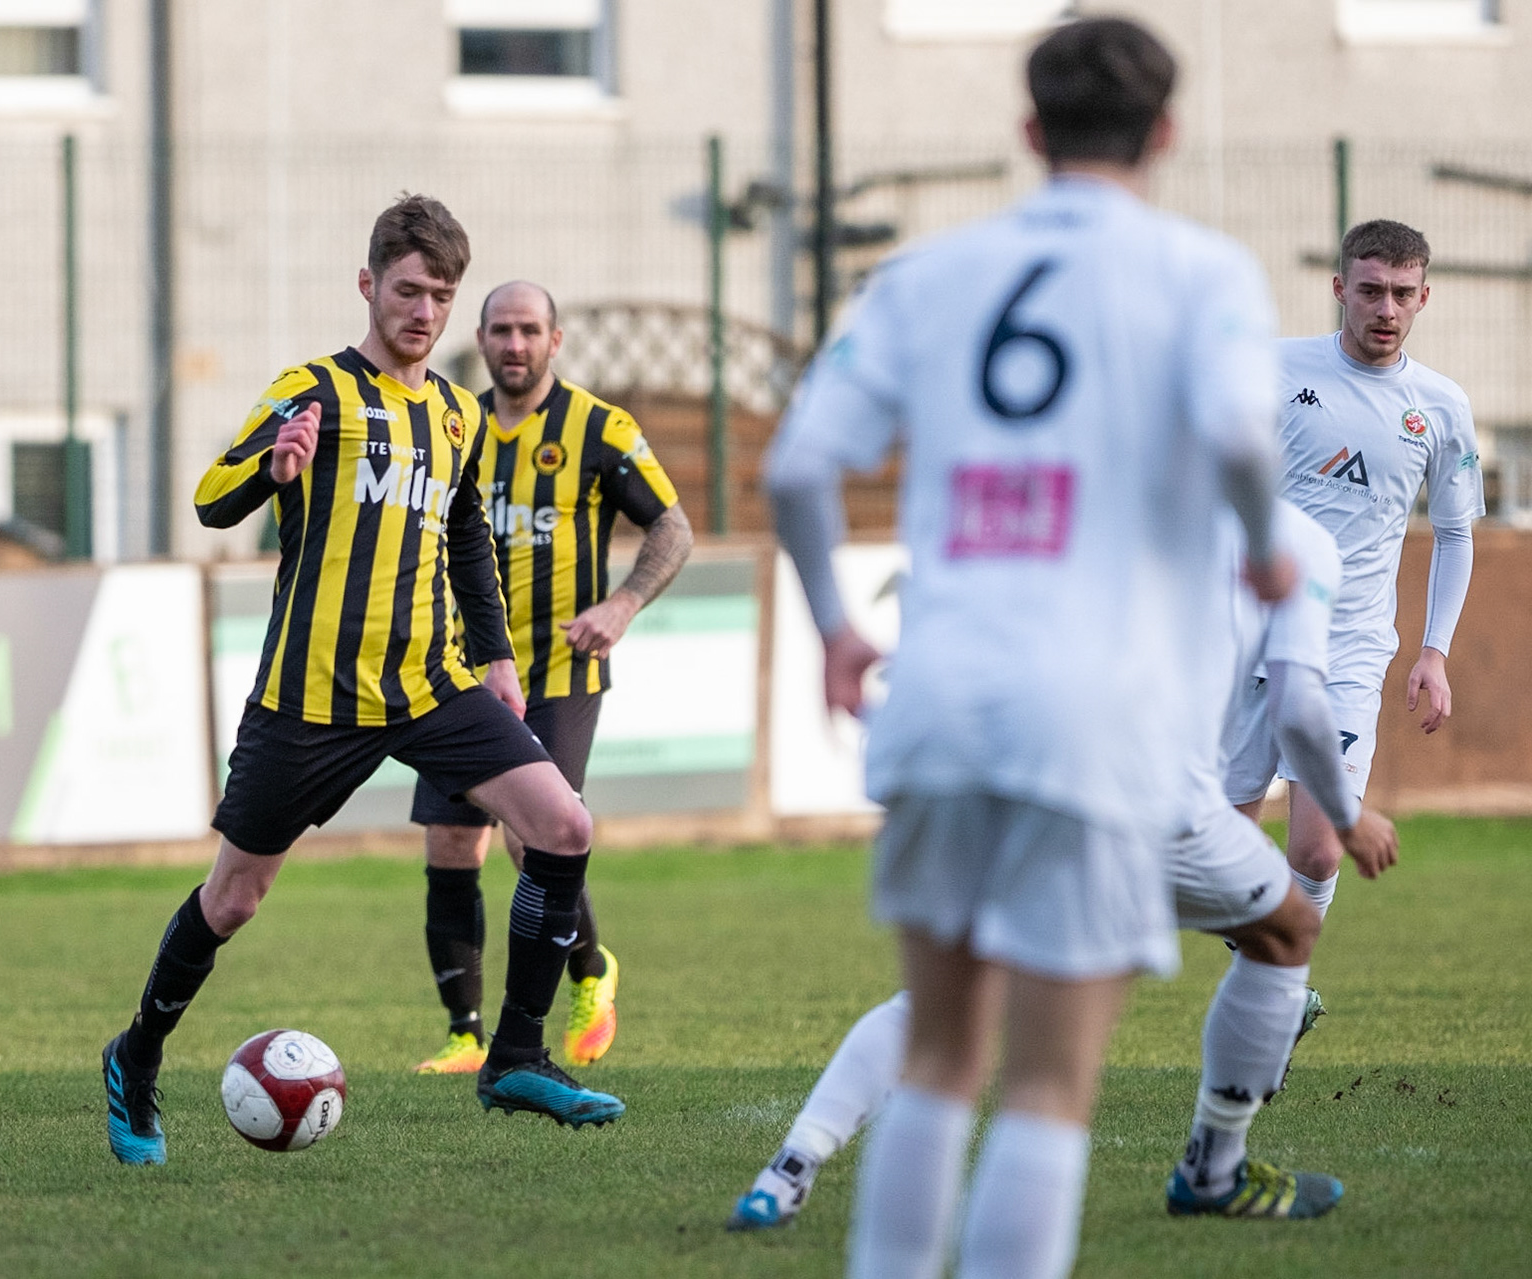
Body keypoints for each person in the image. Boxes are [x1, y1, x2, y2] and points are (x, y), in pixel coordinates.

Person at [765, 18, 1292, 1277]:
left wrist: (838, 624)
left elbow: (795, 464)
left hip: (939, 697)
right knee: (1049, 1081)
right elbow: (1231, 427)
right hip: (1095, 710)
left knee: (944, 1058)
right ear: (1166, 134)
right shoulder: (1201, 272)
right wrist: (1268, 536)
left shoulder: (925, 275)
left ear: (1025, 131)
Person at [100, 196, 625, 1166]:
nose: (423, 310)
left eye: (440, 295)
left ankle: (514, 1055)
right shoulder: (315, 391)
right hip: (310, 697)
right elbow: (214, 498)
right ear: (369, 285)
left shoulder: (456, 413)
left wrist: (499, 656)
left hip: (432, 683)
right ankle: (136, 1056)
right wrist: (272, 462)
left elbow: (466, 535)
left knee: (564, 825)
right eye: (408, 289)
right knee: (235, 900)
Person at [728, 502, 1401, 1231]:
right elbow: (1300, 709)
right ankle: (1213, 1169)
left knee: (952, 998)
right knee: (1288, 929)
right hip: (1158, 801)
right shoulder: (1298, 538)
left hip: (1031, 776)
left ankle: (789, 1169)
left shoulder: (1104, 496)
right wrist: (1348, 813)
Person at [411, 280, 692, 1075]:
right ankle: (465, 1033)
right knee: (450, 842)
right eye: (501, 329)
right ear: (481, 337)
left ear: (555, 341)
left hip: (561, 667)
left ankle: (591, 970)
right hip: (458, 673)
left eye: (529, 330)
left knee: (533, 832)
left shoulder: (600, 428)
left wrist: (625, 604)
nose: (514, 344)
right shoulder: (454, 425)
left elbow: (672, 524)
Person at [1224, 220, 1483, 929]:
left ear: (1425, 296)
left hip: (1351, 647)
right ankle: (1268, 973)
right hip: (1251, 633)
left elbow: (1456, 530)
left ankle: (1280, 988)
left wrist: (1434, 650)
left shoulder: (1442, 406)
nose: (1386, 309)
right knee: (1221, 847)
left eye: (1402, 293)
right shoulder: (1277, 368)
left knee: (1316, 851)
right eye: (1371, 291)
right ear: (1341, 288)